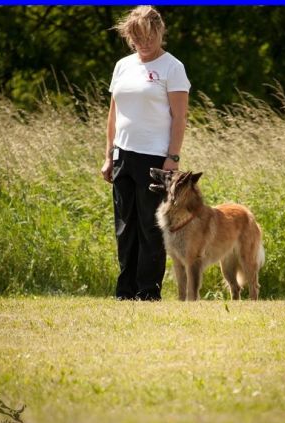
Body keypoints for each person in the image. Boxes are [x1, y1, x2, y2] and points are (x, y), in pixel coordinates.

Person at [101, 6, 191, 301]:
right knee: (125, 227)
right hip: (122, 156)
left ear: (160, 32)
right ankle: (125, 292)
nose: (144, 43)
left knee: (150, 228)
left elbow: (180, 118)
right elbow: (113, 115)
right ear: (130, 37)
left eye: (149, 37)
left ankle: (148, 292)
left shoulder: (172, 67)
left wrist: (172, 158)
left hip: (155, 158)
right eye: (137, 38)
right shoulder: (122, 66)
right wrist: (108, 155)